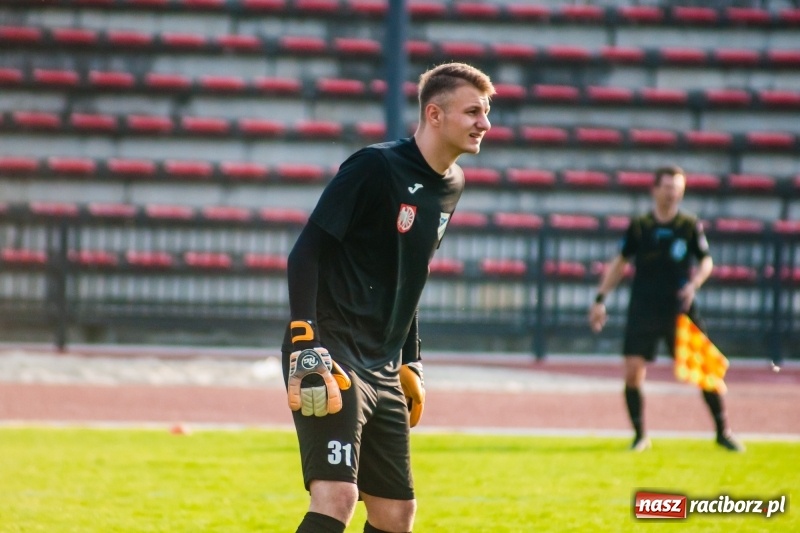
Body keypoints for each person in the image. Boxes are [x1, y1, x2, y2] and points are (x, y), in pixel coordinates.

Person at [281, 62, 494, 533]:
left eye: (487, 111)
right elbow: (305, 253)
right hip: (331, 349)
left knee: (397, 514)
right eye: (474, 111)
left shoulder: (453, 185)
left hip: (382, 362)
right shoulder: (374, 167)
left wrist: (411, 360)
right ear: (434, 115)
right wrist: (304, 339)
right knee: (337, 495)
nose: (485, 123)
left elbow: (410, 276)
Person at [588, 165, 744, 453]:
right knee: (633, 371)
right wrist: (600, 298)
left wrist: (694, 283)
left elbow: (706, 261)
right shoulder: (640, 226)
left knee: (705, 370)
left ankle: (723, 432)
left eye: (678, 188)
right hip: (644, 309)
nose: (673, 193)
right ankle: (640, 436)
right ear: (655, 189)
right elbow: (620, 262)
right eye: (668, 187)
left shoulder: (688, 225)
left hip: (679, 310)